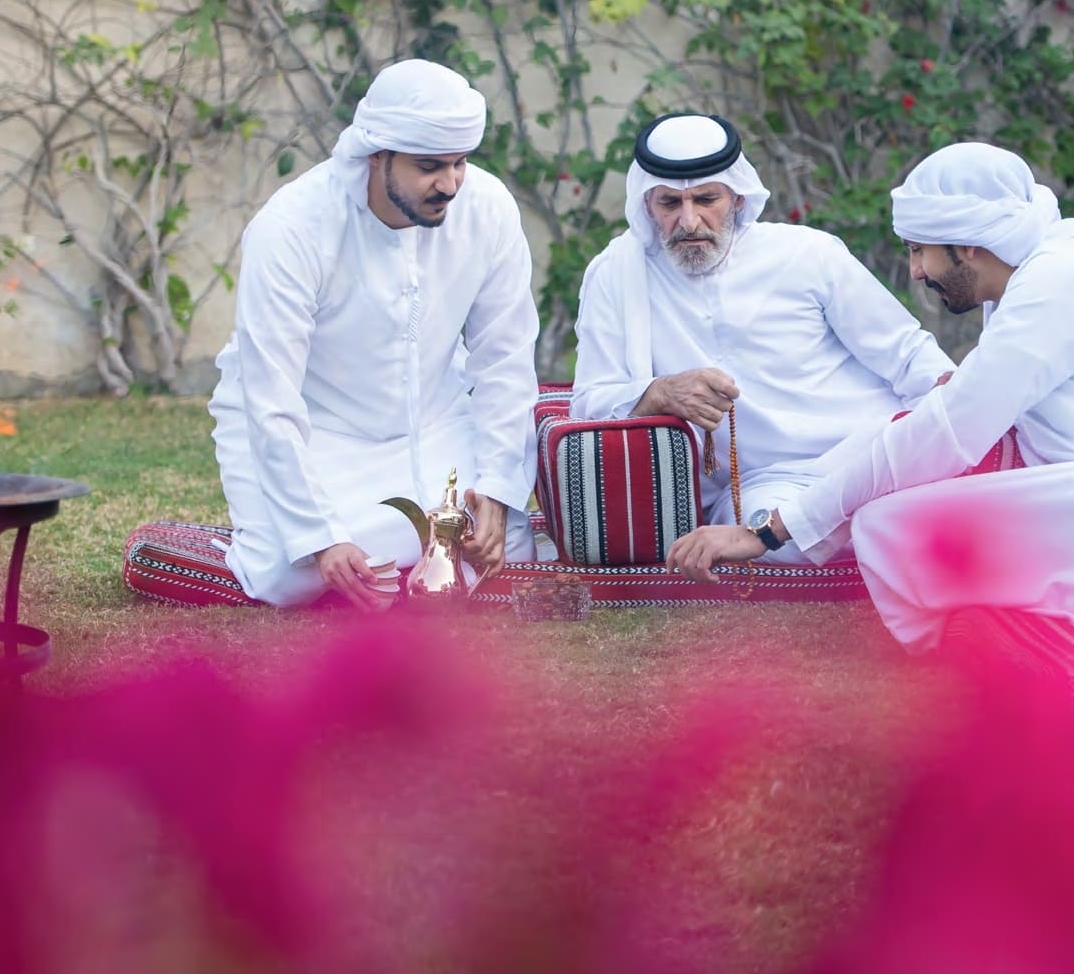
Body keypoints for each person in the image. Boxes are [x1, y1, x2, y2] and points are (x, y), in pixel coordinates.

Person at [666, 142, 1074, 649]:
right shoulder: (1038, 269)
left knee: (893, 527)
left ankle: (1055, 622)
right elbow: (936, 418)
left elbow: (944, 432)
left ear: (966, 246)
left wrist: (767, 531)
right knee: (893, 511)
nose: (914, 272)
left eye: (918, 251)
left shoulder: (1061, 279)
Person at [207, 59, 539, 609]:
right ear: (376, 154)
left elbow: (504, 360)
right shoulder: (292, 227)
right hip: (318, 432)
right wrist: (320, 538)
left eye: (460, 163)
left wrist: (501, 492)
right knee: (289, 577)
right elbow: (270, 394)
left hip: (435, 422)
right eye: (430, 166)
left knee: (504, 548)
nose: (451, 184)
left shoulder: (488, 208)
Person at [571, 113, 953, 548]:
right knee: (768, 542)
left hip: (867, 452)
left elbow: (905, 353)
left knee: (926, 503)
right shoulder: (618, 275)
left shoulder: (808, 253)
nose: (690, 221)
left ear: (737, 197)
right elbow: (588, 403)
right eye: (670, 204)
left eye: (706, 199)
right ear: (646, 205)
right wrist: (658, 392)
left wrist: (957, 415)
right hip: (770, 484)